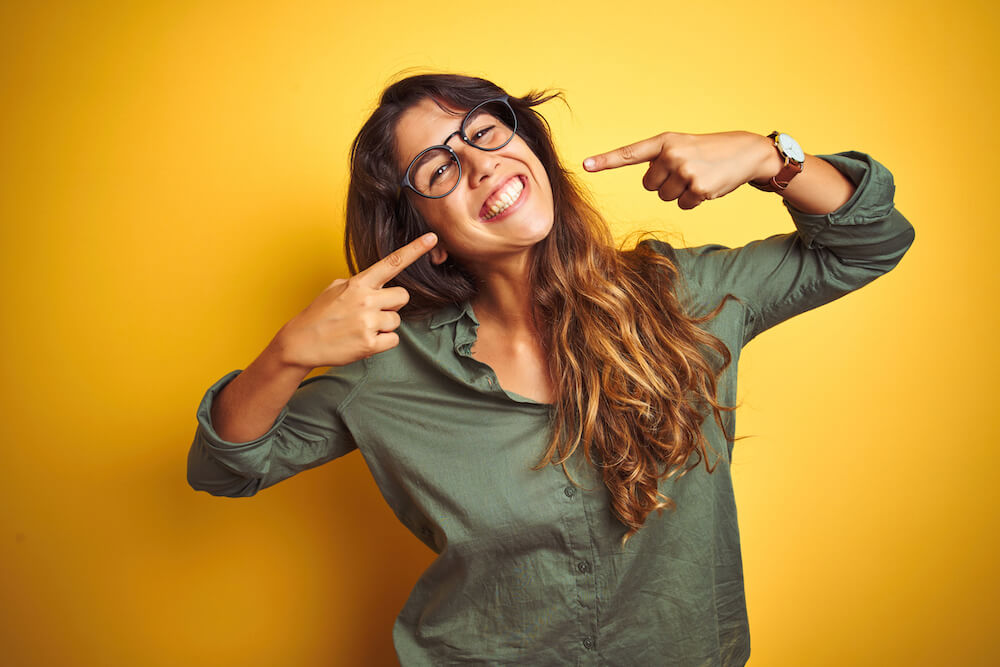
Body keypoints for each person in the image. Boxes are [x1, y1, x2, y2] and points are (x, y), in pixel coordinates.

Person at [186, 73, 915, 665]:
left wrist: (767, 157)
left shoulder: (686, 299)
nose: (480, 164)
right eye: (438, 167)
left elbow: (869, 241)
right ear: (421, 230)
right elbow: (227, 467)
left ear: (526, 142)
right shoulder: (384, 366)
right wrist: (287, 353)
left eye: (484, 130)